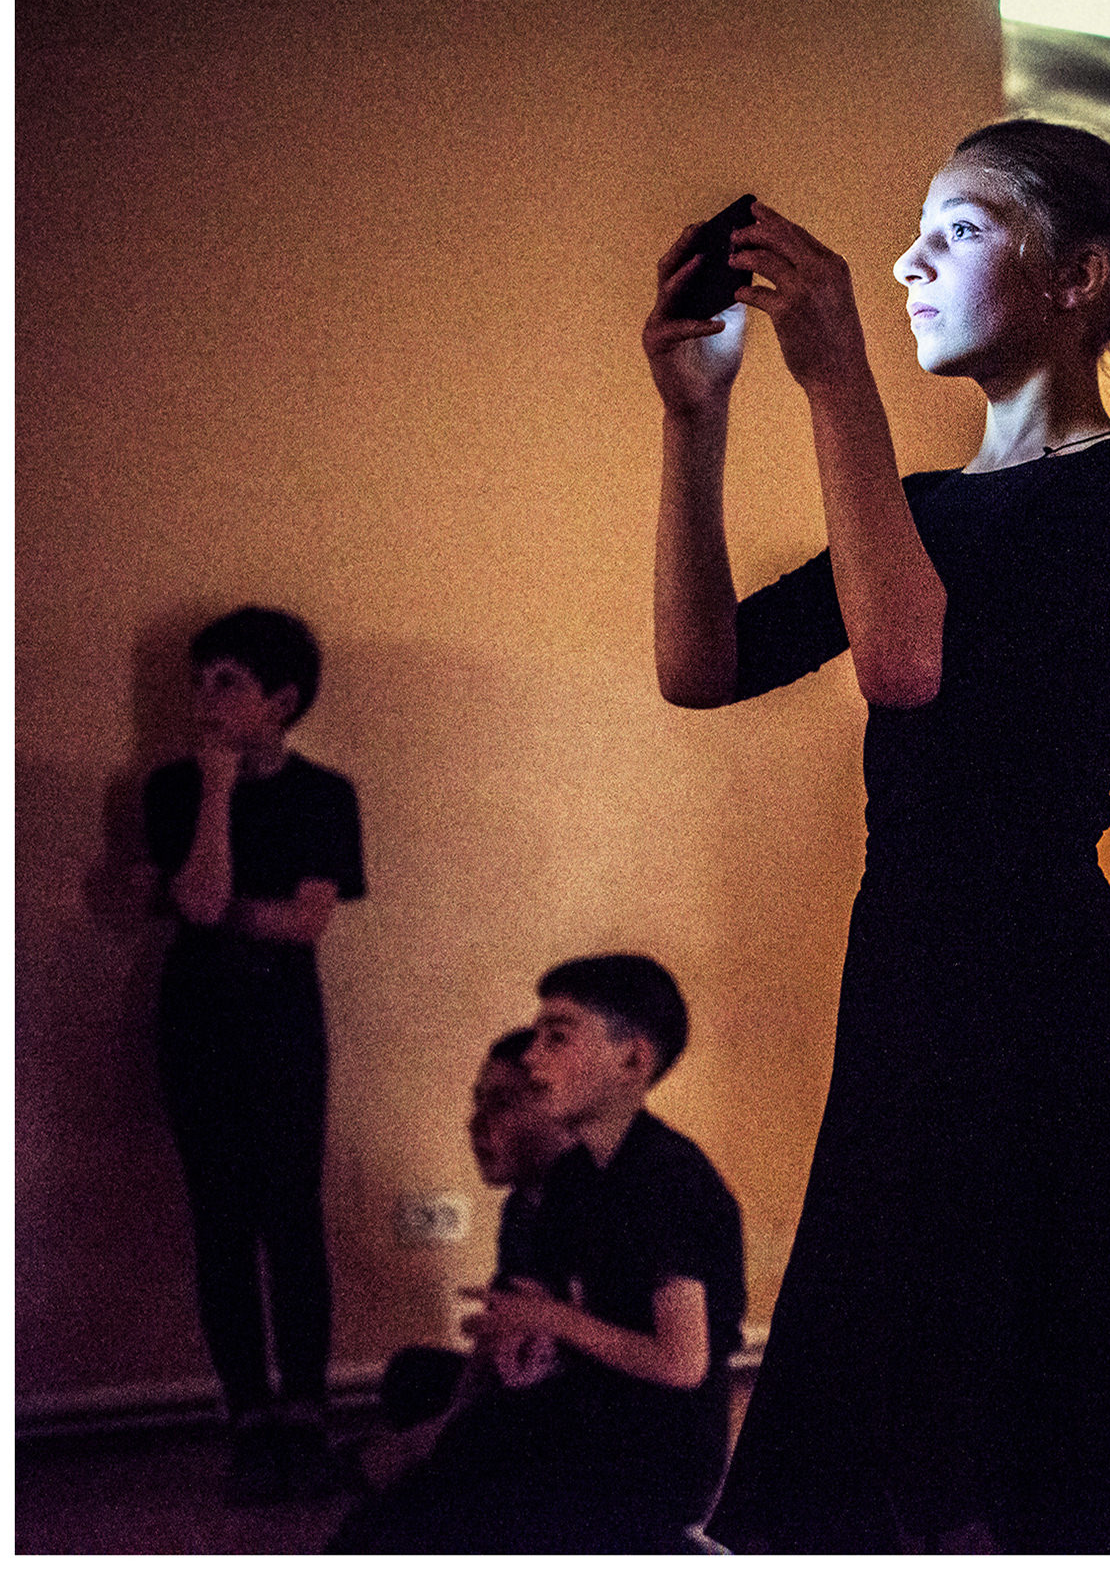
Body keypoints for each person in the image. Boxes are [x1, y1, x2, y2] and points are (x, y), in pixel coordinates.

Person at [645, 120, 1110, 1552]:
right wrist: (696, 418)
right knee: (899, 1395)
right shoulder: (917, 510)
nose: (906, 259)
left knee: (1026, 1420)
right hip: (909, 958)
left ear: (1081, 276)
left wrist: (836, 369)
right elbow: (701, 661)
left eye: (957, 230)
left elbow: (909, 666)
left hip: (1033, 978)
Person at [328, 954, 745, 1552]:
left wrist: (550, 1322)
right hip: (586, 1410)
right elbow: (555, 1307)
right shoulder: (580, 1176)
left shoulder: (666, 1177)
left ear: (632, 1061)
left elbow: (683, 1363)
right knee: (412, 1471)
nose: (532, 1055)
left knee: (393, 1525)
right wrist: (531, 1341)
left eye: (558, 1036)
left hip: (655, 1454)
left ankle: (666, 1546)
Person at [140, 605, 364, 1505]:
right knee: (221, 1226)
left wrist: (195, 899)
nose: (203, 698)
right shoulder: (171, 789)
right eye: (198, 681)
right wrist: (218, 793)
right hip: (194, 1027)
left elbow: (303, 923)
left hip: (283, 1028)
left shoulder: (325, 795)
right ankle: (247, 1415)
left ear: (282, 699)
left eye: (223, 682)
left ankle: (307, 1411)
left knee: (292, 1218)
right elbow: (200, 903)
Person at [348, 1027, 574, 1490]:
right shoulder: (520, 1206)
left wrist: (428, 1441)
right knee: (411, 1374)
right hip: (522, 1381)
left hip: (574, 1406)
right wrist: (446, 1420)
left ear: (560, 1113)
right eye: (478, 1102)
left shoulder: (591, 1204)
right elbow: (495, 1343)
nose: (477, 1123)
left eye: (502, 1104)